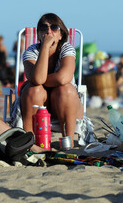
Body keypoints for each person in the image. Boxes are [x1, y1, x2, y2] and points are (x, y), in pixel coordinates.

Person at [19, 13, 83, 147]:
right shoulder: (31, 52)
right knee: (34, 90)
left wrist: (40, 80)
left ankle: (68, 142)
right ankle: (30, 142)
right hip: (39, 103)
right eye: (43, 28)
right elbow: (37, 79)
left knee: (65, 89)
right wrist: (45, 48)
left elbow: (63, 77)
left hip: (65, 103)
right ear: (38, 35)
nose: (48, 31)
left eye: (54, 27)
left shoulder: (66, 48)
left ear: (61, 35)